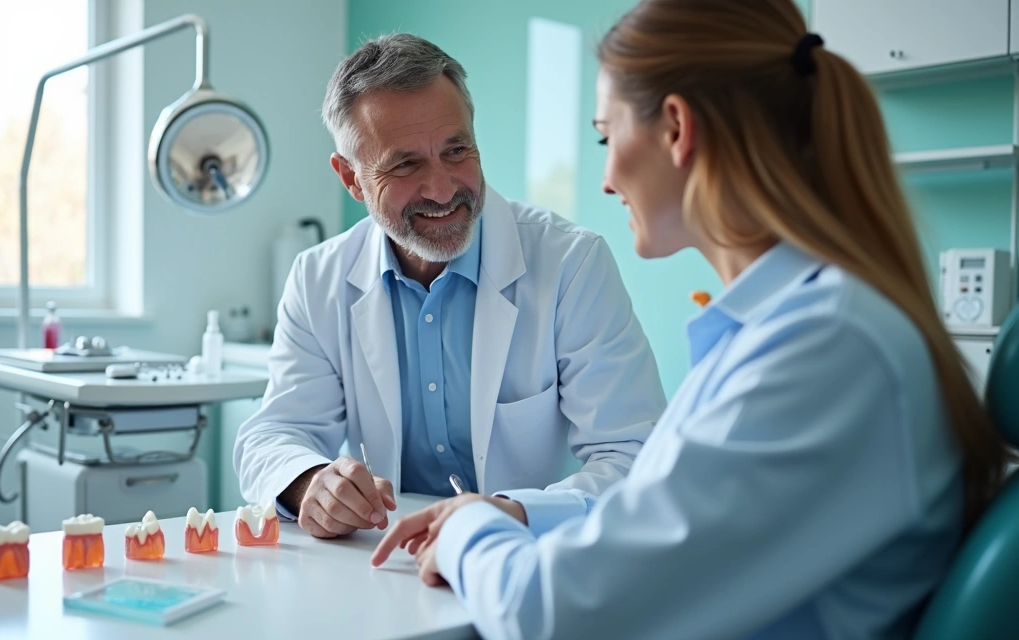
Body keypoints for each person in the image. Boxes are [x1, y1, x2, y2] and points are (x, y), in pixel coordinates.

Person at [371, 1, 1013, 637]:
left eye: (607, 137)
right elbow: (664, 519)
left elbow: (557, 614)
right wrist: (516, 515)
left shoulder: (826, 347)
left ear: (677, 129)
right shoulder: (797, 327)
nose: (606, 180)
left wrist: (467, 528)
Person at [234, 34, 667, 539]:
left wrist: (512, 515)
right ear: (351, 178)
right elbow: (275, 433)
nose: (442, 190)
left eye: (456, 150)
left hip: (528, 552)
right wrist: (312, 483)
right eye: (405, 164)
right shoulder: (318, 279)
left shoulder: (571, 263)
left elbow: (634, 453)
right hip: (383, 558)